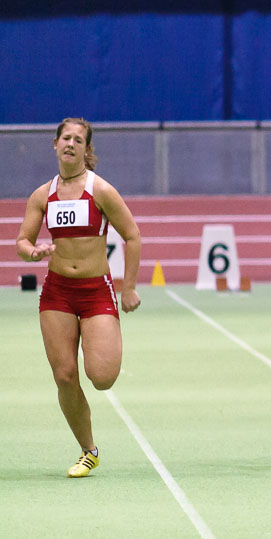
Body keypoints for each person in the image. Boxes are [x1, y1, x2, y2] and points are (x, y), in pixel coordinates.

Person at [15, 118, 142, 477]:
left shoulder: (101, 191)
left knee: (101, 377)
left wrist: (128, 287)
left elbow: (133, 236)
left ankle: (105, 336)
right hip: (57, 292)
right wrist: (33, 251)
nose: (71, 144)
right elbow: (22, 241)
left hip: (95, 291)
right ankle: (89, 450)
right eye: (65, 138)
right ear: (55, 144)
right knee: (65, 375)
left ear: (87, 150)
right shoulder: (43, 195)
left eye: (78, 140)